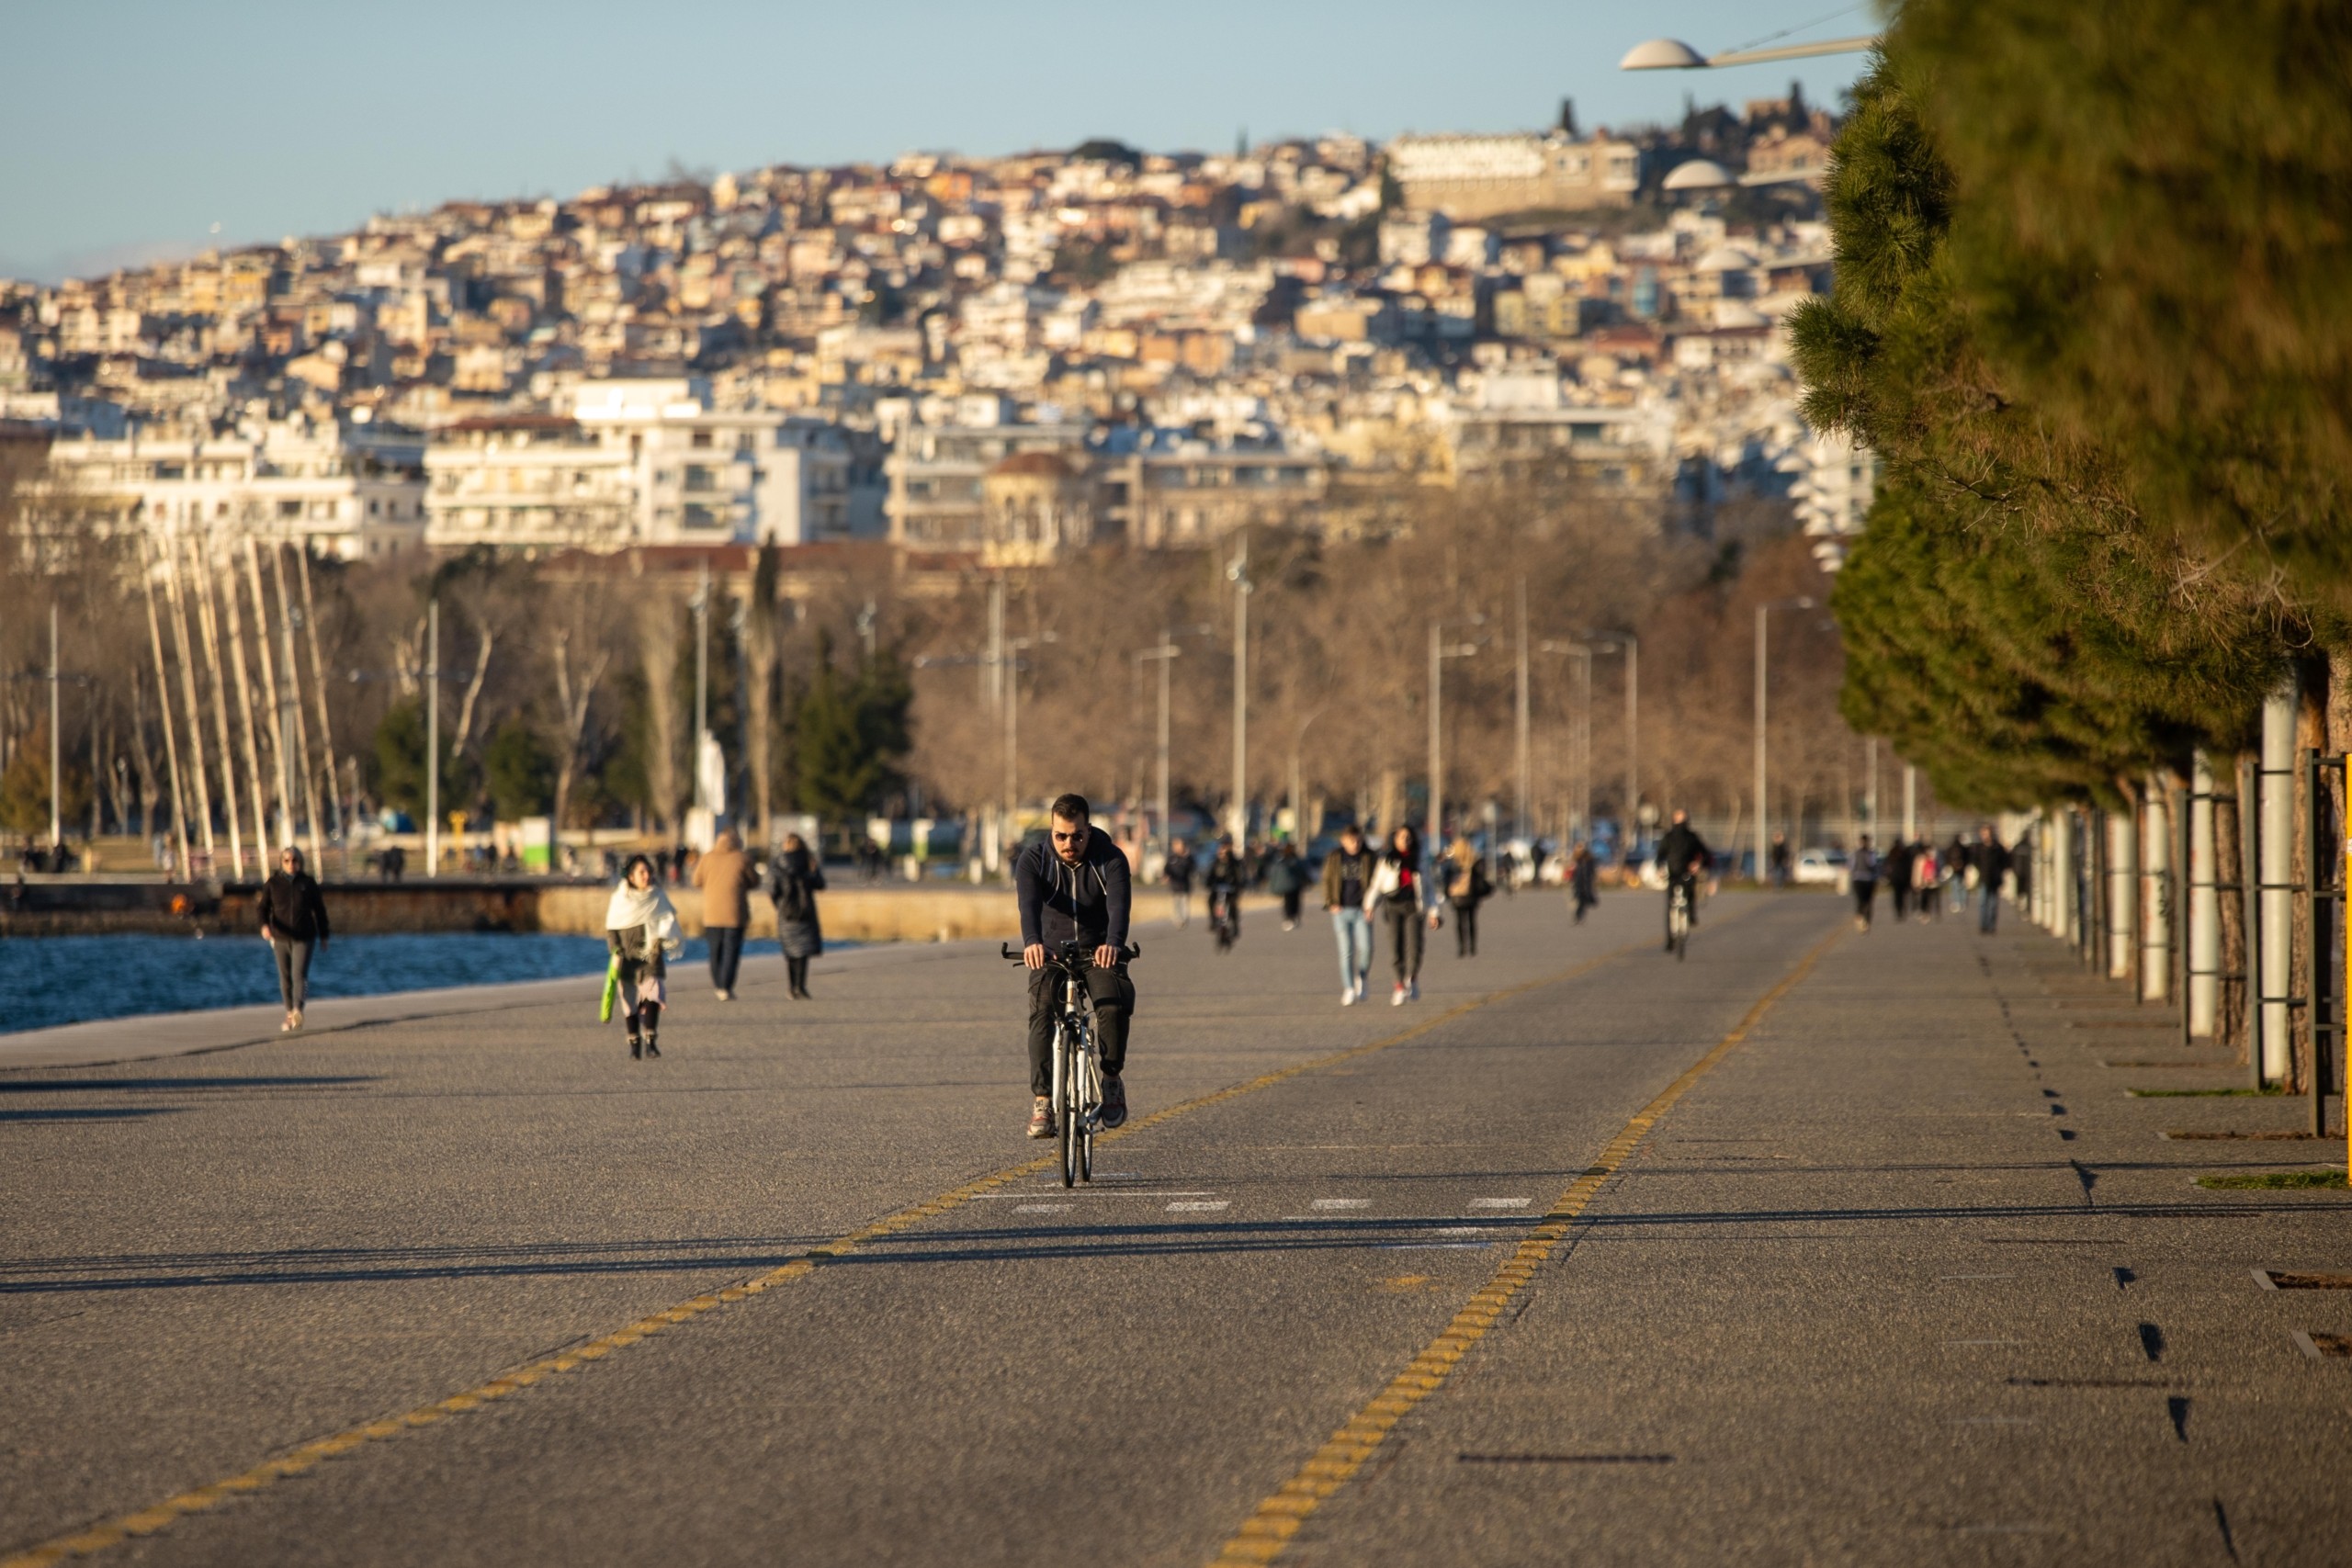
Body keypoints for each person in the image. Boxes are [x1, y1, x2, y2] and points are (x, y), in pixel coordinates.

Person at [1015, 793, 1136, 1138]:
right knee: (1041, 1014)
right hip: (1051, 953)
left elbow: (1119, 909)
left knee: (1112, 1006)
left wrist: (1113, 944)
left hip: (1098, 951)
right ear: (1051, 831)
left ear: (1089, 828)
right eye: (1061, 836)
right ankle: (1042, 1101)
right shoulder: (1033, 860)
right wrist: (1032, 942)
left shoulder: (1110, 859)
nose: (1070, 843)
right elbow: (1028, 904)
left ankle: (1111, 1079)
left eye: (1078, 836)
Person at [606, 854, 682, 1058]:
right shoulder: (620, 899)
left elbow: (669, 920)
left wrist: (664, 938)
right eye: (642, 872)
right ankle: (634, 1042)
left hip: (652, 955)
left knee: (654, 995)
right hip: (627, 957)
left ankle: (651, 1040)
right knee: (629, 1002)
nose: (646, 875)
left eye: (648, 871)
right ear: (631, 876)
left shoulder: (657, 896)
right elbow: (612, 928)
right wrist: (615, 949)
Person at [257, 846, 330, 1032]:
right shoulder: (273, 883)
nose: (291, 864)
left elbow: (320, 911)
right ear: (281, 862)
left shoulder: (308, 883)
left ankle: (298, 1009)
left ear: (300, 862)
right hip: (280, 938)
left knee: (299, 975)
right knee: (285, 978)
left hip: (304, 937)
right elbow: (262, 908)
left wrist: (324, 935)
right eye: (287, 860)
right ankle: (289, 1013)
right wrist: (264, 926)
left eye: (295, 860)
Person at [1367, 825, 1437, 1005]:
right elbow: (1377, 884)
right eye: (1400, 837)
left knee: (1415, 946)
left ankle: (1411, 978)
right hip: (1393, 906)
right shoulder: (1386, 860)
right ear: (1394, 840)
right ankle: (1399, 985)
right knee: (1396, 947)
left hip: (1414, 906)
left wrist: (1433, 912)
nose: (1404, 841)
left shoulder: (1420, 861)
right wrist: (1369, 905)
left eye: (1408, 837)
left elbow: (1429, 888)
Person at [693, 828, 757, 1000]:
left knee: (715, 950)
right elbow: (754, 881)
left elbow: (696, 880)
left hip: (712, 913)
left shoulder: (707, 858)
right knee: (731, 951)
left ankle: (718, 984)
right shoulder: (742, 858)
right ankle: (726, 986)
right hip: (735, 913)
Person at [1322, 823, 1378, 1004]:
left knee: (1367, 948)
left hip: (1363, 909)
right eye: (1351, 840)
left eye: (1358, 840)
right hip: (1341, 910)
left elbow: (1378, 883)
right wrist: (1331, 902)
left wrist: (1373, 905)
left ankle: (1361, 978)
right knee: (1346, 951)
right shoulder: (1335, 857)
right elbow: (1327, 880)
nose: (1355, 844)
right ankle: (1348, 988)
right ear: (1343, 841)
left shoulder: (1369, 857)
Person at [768, 831, 827, 999]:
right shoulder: (809, 861)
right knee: (803, 951)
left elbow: (773, 889)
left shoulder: (778, 863)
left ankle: (792, 987)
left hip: (785, 912)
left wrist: (778, 904)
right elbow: (820, 884)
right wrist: (814, 873)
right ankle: (800, 986)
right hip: (805, 910)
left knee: (791, 952)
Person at [1655, 809, 1712, 952]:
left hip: (1687, 874)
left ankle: (1691, 915)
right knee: (1670, 907)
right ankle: (1671, 940)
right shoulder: (1668, 837)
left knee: (1690, 894)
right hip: (1672, 874)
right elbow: (1660, 855)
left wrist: (1697, 864)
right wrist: (1660, 868)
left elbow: (1705, 853)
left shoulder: (1692, 837)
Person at [1447, 838, 1493, 958]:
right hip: (1471, 895)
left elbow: (1446, 878)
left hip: (1457, 895)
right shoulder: (1474, 860)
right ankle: (1472, 947)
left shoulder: (1453, 862)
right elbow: (1481, 876)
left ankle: (1462, 948)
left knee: (1460, 922)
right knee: (1471, 921)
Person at [1204, 836, 1247, 952]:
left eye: (1226, 847)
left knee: (1233, 906)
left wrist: (1240, 885)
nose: (1223, 850)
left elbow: (1242, 875)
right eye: (1222, 847)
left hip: (1232, 889)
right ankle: (1213, 921)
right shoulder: (1215, 862)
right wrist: (1209, 883)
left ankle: (1235, 925)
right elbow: (1209, 876)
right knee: (1210, 901)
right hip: (1218, 889)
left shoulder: (1236, 862)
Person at [1974, 825, 2011, 933]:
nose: (1985, 836)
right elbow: (1975, 861)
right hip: (1984, 878)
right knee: (1983, 903)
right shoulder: (1979, 848)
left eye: (1987, 833)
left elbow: (2005, 861)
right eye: (1983, 834)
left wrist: (2000, 871)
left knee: (1993, 904)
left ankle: (1991, 925)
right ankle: (1983, 925)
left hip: (1995, 879)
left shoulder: (1998, 848)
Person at [1268, 840, 1307, 930]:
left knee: (1288, 903)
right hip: (1295, 884)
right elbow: (1302, 871)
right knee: (1295, 902)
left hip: (1287, 885)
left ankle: (1289, 918)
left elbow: (1274, 873)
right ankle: (1293, 917)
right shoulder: (1295, 860)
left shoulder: (1280, 859)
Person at [1850, 834, 1883, 931]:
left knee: (1868, 902)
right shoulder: (1857, 854)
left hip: (1869, 880)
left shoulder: (1870, 853)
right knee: (1861, 901)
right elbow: (1851, 866)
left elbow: (1873, 866)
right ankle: (1860, 918)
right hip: (1860, 880)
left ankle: (1866, 922)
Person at [1163, 836, 1194, 928]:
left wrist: (1186, 857)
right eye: (1175, 845)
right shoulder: (1171, 858)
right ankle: (1177, 919)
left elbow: (1192, 868)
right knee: (1176, 903)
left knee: (1184, 902)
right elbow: (1166, 869)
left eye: (1179, 845)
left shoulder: (1188, 858)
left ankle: (1184, 919)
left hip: (1184, 885)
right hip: (1174, 885)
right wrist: (1165, 876)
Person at [1885, 838, 1917, 920]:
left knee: (1897, 896)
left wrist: (1888, 877)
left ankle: (1898, 911)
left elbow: (1887, 866)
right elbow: (1909, 867)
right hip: (1903, 878)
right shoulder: (1905, 853)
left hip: (1895, 878)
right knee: (1903, 896)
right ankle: (1902, 910)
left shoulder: (1892, 853)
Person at [1569, 841, 1600, 923]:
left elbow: (1592, 872)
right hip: (1578, 883)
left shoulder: (1589, 859)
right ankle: (1578, 916)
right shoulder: (1576, 859)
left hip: (1586, 883)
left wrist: (1593, 881)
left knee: (1584, 901)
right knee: (1580, 900)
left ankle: (1579, 916)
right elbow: (1572, 872)